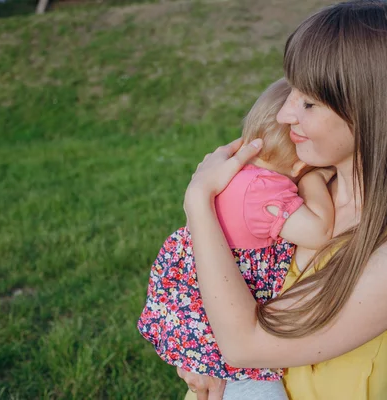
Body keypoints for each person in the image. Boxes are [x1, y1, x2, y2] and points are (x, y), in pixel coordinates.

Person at [179, 1, 387, 399]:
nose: (283, 114)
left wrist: (199, 201)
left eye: (308, 102)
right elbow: (219, 288)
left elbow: (245, 344)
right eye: (290, 93)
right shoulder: (299, 191)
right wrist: (197, 357)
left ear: (370, 112)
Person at [137, 78, 335, 400]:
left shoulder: (235, 172)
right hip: (221, 317)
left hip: (195, 298)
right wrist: (314, 179)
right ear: (300, 162)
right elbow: (319, 232)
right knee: (256, 390)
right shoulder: (266, 190)